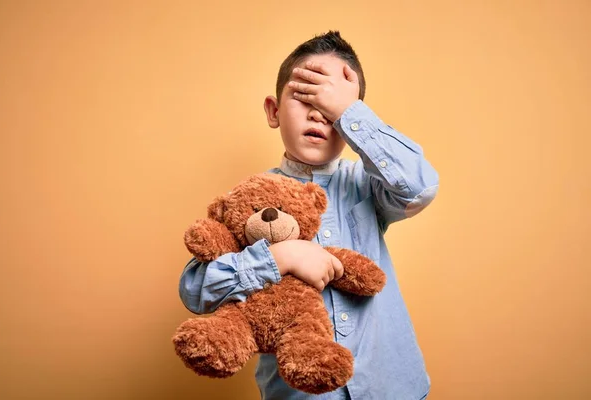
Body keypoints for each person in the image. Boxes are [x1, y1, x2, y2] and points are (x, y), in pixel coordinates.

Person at [179, 30, 439, 400]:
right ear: (273, 111)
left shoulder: (367, 185)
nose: (319, 113)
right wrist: (278, 258)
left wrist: (352, 115)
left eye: (331, 105)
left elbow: (420, 187)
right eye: (304, 97)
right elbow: (194, 290)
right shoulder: (249, 202)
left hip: (392, 387)